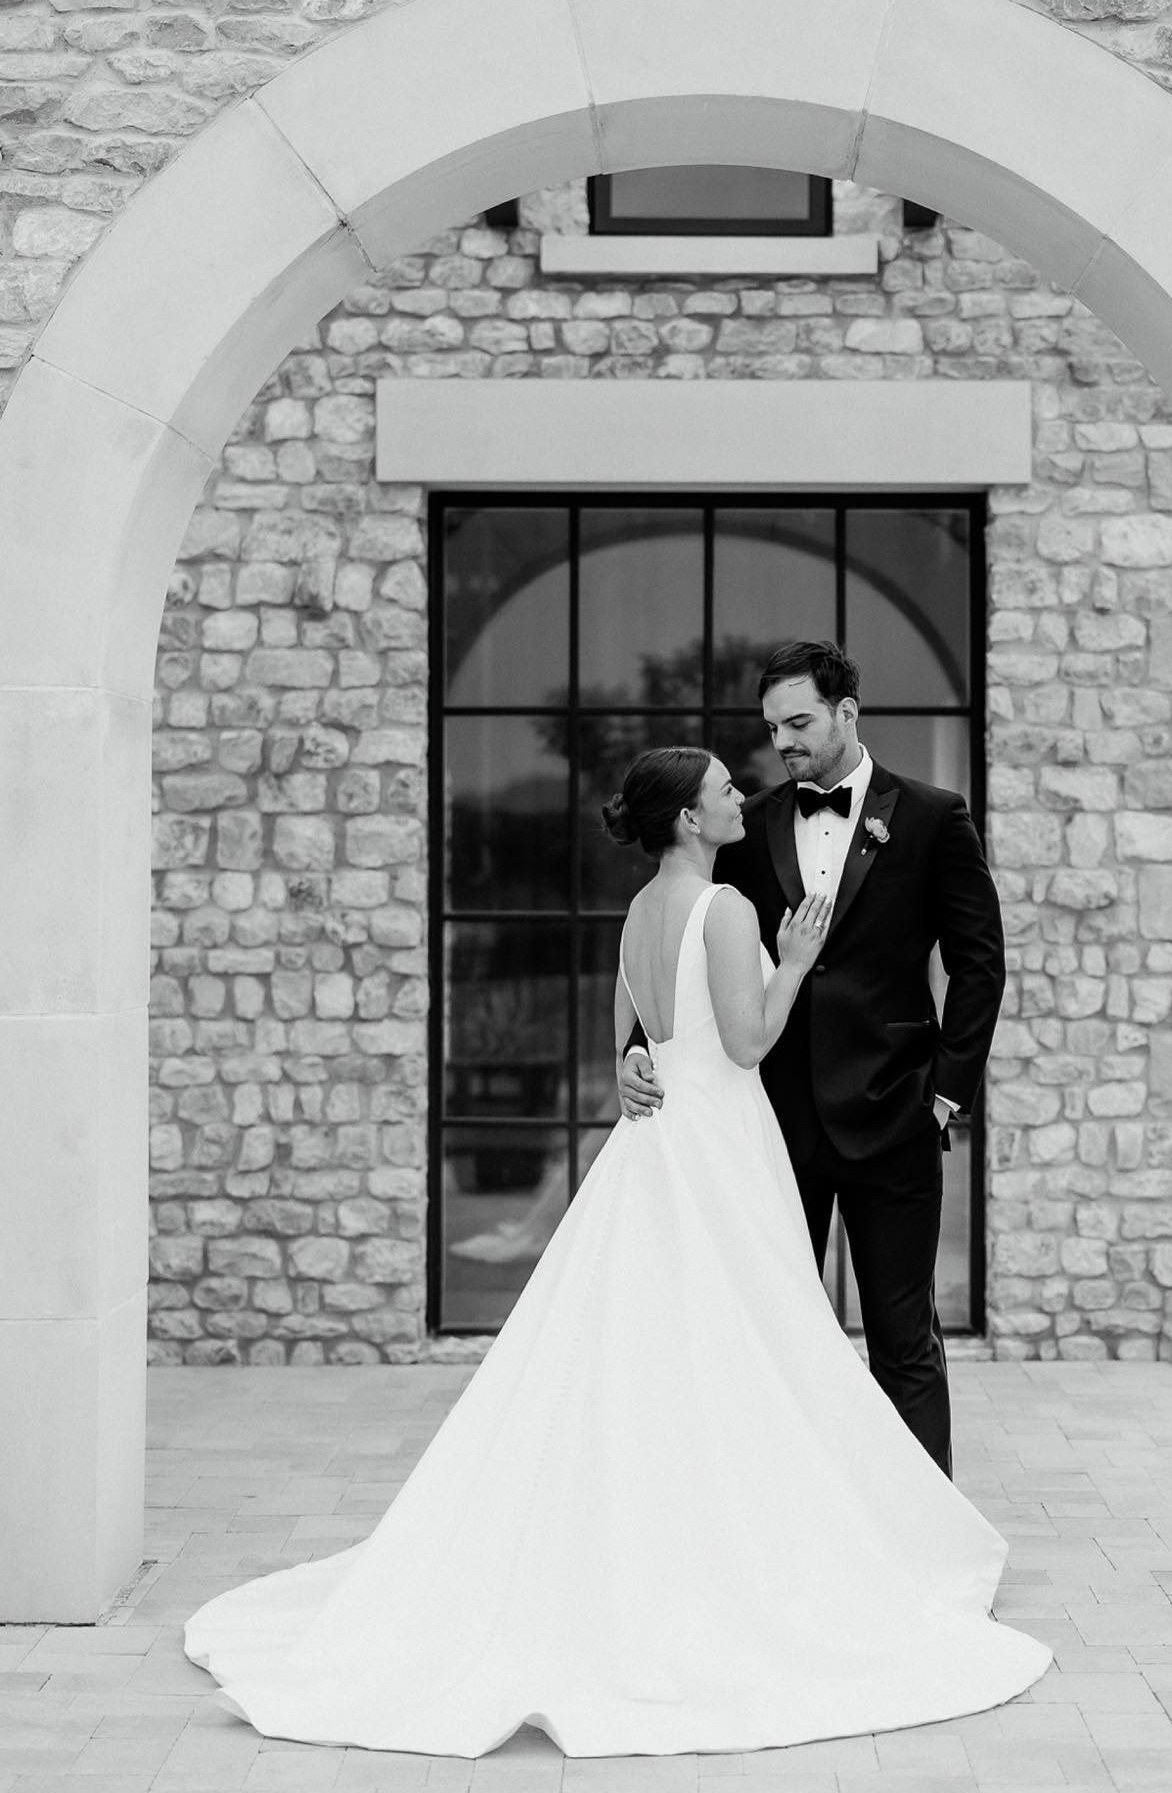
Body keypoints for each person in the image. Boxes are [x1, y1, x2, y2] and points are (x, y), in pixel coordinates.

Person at [183, 744, 1049, 1758]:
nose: (741, 795)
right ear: (689, 819)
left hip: (654, 1143)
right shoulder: (726, 910)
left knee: (658, 1350)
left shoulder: (639, 912)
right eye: (725, 787)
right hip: (720, 1143)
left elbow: (626, 1040)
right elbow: (745, 1042)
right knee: (753, 1348)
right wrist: (800, 958)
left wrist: (636, 1066)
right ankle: (753, 1556)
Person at [620, 640, 1005, 1477]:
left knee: (904, 1341)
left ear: (847, 714)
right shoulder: (745, 826)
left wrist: (945, 1093)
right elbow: (678, 946)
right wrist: (634, 1048)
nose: (784, 741)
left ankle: (921, 1537)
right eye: (772, 727)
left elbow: (980, 962)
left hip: (897, 1117)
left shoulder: (936, 818)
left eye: (799, 722)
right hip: (773, 1127)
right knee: (777, 1340)